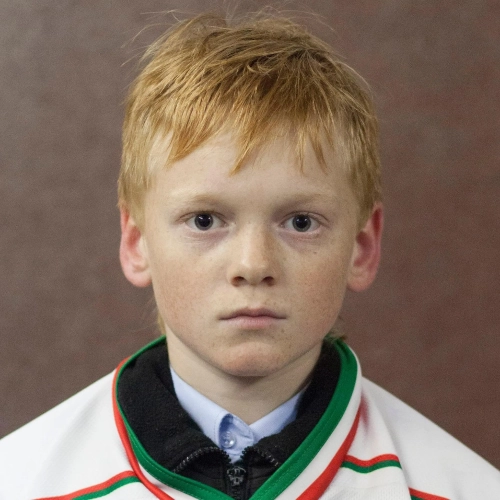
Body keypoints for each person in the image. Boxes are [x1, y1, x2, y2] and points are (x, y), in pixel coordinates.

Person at [0, 11, 498, 500]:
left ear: (362, 247)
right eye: (204, 220)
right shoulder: (20, 483)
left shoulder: (465, 489)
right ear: (137, 242)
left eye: (300, 222)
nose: (253, 265)